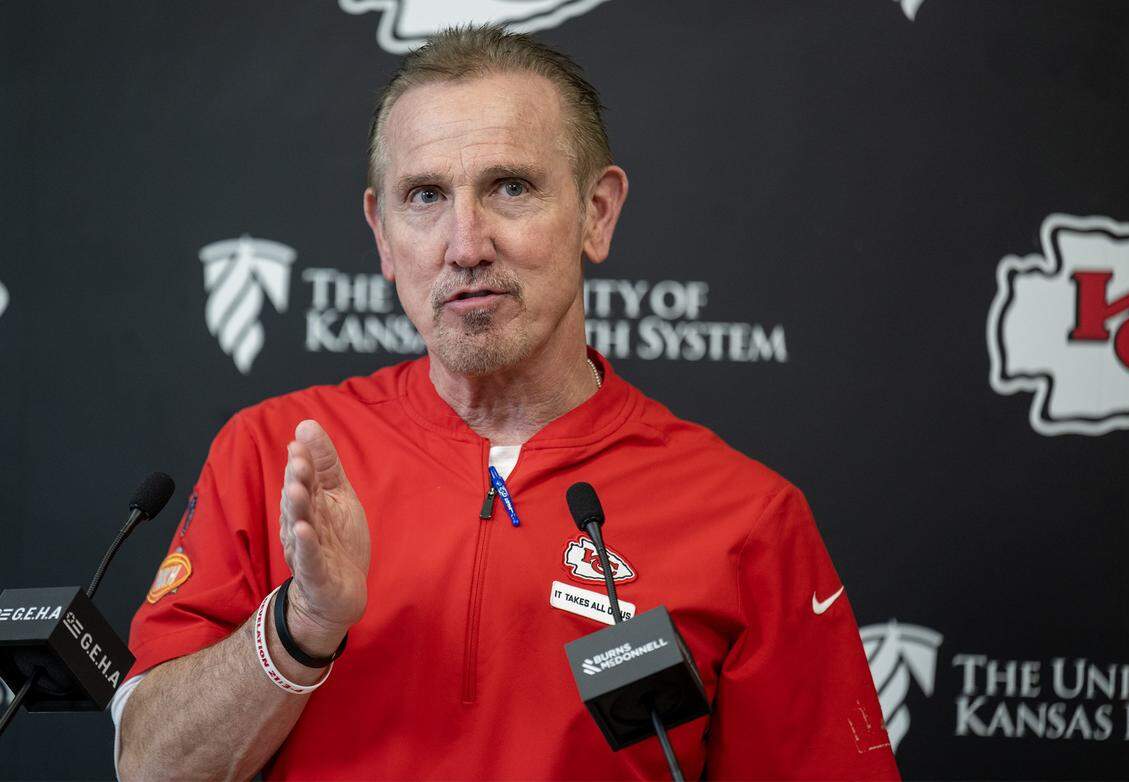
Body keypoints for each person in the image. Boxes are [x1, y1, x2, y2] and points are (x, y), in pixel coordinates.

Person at [115, 25, 899, 781]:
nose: (466, 245)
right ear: (382, 234)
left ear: (597, 213)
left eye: (511, 187)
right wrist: (301, 628)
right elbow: (149, 766)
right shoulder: (276, 454)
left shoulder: (747, 517)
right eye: (425, 196)